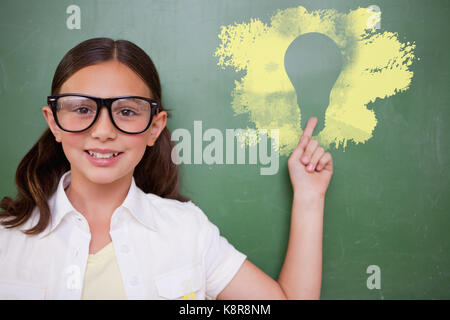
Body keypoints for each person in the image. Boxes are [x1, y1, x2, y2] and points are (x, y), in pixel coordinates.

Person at [0, 37, 333, 300]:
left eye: (127, 112)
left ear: (155, 128)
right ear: (54, 122)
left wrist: (309, 196)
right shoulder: (6, 239)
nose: (102, 130)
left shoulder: (187, 231)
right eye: (82, 109)